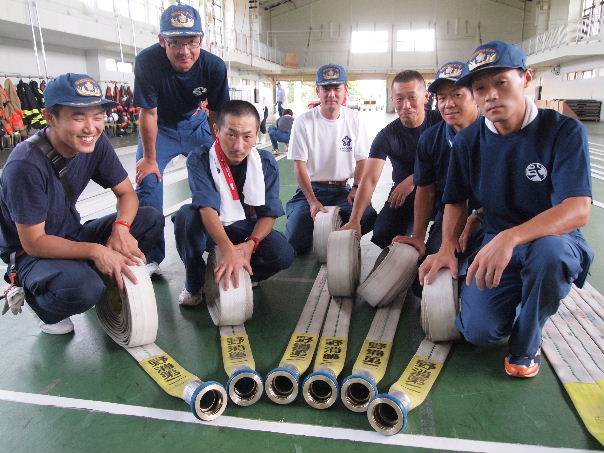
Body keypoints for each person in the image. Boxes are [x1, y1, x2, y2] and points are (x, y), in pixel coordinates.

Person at [420, 41, 594, 378]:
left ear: (526, 78)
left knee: (550, 256)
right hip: (496, 238)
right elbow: (455, 200)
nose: (491, 95)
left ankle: (526, 343)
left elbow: (578, 209)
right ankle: (523, 298)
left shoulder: (562, 131)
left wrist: (511, 237)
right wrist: (445, 248)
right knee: (479, 332)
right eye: (480, 87)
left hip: (553, 238)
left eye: (501, 83)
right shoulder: (469, 141)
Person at [0, 73, 164, 334]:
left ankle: (89, 271)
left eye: (97, 116)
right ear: (51, 117)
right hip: (30, 254)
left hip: (72, 234)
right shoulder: (25, 165)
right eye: (78, 117)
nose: (91, 127)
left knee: (150, 218)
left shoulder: (96, 144)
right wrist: (97, 251)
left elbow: (127, 194)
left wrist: (120, 229)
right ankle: (41, 303)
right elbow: (34, 242)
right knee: (86, 289)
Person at [133, 4, 230, 273]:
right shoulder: (147, 62)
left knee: (218, 175)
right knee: (148, 182)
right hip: (159, 127)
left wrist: (220, 152)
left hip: (196, 124)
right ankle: (150, 256)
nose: (184, 51)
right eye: (175, 42)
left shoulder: (214, 66)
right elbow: (148, 113)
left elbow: (218, 113)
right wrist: (150, 159)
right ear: (162, 40)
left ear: (201, 40)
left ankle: (215, 241)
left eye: (191, 41)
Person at [174, 100, 294, 306]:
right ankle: (195, 284)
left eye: (247, 136)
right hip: (211, 226)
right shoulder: (200, 158)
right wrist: (227, 249)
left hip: (245, 229)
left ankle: (249, 273)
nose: (239, 146)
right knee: (186, 216)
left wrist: (250, 244)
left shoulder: (265, 163)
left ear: (257, 133)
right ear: (216, 130)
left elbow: (268, 214)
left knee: (283, 253)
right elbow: (206, 208)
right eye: (231, 135)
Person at [340, 70, 441, 248]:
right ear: (392, 99)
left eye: (412, 97)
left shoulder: (441, 122)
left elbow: (451, 161)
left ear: (426, 97)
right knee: (383, 234)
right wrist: (355, 220)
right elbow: (370, 178)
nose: (406, 105)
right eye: (399, 99)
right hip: (403, 196)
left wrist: (414, 179)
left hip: (441, 191)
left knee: (438, 244)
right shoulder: (387, 135)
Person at [285, 64, 377, 255]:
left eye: (337, 88)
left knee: (368, 216)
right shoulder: (303, 121)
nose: (331, 94)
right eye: (326, 88)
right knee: (296, 242)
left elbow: (362, 160)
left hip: (342, 190)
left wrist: (356, 188)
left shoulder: (355, 119)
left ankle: (334, 231)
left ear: (345, 91)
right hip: (310, 190)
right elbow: (299, 166)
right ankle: (314, 229)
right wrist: (312, 201)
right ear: (317, 91)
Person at [394, 61, 480, 257]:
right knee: (430, 264)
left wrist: (479, 216)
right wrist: (418, 236)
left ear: (475, 95)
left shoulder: (494, 134)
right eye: (442, 97)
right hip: (450, 214)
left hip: (493, 217)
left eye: (457, 94)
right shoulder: (431, 139)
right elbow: (425, 189)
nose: (448, 104)